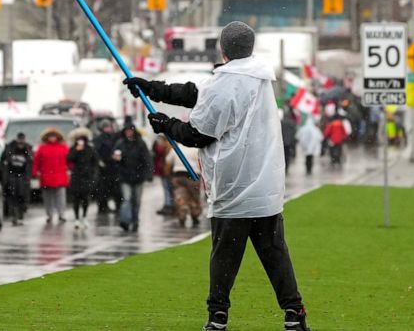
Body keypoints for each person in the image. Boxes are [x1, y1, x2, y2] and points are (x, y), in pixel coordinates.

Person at [122, 21, 310, 331]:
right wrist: (152, 88)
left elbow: (198, 134)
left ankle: (217, 316)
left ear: (222, 49)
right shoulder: (258, 75)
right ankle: (294, 314)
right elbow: (198, 93)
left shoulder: (227, 83)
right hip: (265, 188)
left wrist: (165, 124)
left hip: (234, 187)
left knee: (224, 258)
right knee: (275, 255)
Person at [112, 119, 151, 232]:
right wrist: (116, 160)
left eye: (130, 130)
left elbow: (147, 159)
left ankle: (135, 221)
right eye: (127, 130)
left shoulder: (140, 143)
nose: (128, 132)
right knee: (127, 199)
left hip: (138, 176)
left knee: (137, 201)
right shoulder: (120, 143)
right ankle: (125, 221)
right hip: (125, 176)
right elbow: (114, 157)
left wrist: (148, 173)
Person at [32, 127, 69, 224]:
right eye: (50, 136)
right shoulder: (42, 148)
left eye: (54, 136)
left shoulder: (64, 148)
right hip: (46, 176)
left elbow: (69, 161)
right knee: (48, 198)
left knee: (61, 197)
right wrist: (35, 172)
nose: (52, 138)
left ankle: (61, 214)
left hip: (60, 176)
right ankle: (49, 215)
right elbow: (36, 162)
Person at [165, 139, 203, 227]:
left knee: (180, 196)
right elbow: (201, 162)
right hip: (194, 175)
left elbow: (168, 161)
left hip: (179, 175)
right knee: (194, 197)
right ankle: (195, 215)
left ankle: (182, 215)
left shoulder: (176, 148)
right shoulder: (196, 148)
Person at [66, 127, 98, 229]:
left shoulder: (90, 149)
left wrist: (92, 173)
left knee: (85, 199)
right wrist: (76, 150)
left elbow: (95, 162)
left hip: (87, 177)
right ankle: (76, 218)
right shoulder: (74, 148)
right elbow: (69, 158)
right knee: (76, 199)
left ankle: (84, 217)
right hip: (76, 177)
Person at [0, 132, 33, 225]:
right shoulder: (10, 148)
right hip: (11, 175)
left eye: (22, 142)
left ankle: (20, 216)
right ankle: (14, 216)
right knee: (12, 196)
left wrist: (29, 177)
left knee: (22, 196)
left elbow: (30, 163)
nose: (20, 144)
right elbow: (3, 160)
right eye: (19, 142)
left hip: (23, 176)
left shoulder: (28, 149)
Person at [93, 120, 122, 214]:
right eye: (105, 127)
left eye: (108, 127)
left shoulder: (115, 137)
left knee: (116, 188)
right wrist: (100, 162)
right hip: (103, 168)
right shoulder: (98, 139)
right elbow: (96, 152)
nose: (107, 129)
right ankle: (103, 207)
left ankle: (118, 206)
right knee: (103, 189)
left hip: (114, 166)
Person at [152, 136, 174, 216]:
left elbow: (158, 152)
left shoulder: (166, 146)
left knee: (167, 189)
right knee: (168, 189)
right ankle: (169, 204)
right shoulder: (170, 145)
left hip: (166, 171)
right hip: (166, 171)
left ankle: (168, 205)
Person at [280, 107, 298, 175]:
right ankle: (286, 167)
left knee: (283, 155)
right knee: (287, 155)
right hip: (289, 142)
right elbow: (294, 132)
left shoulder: (281, 122)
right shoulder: (292, 123)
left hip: (282, 141)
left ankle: (284, 167)